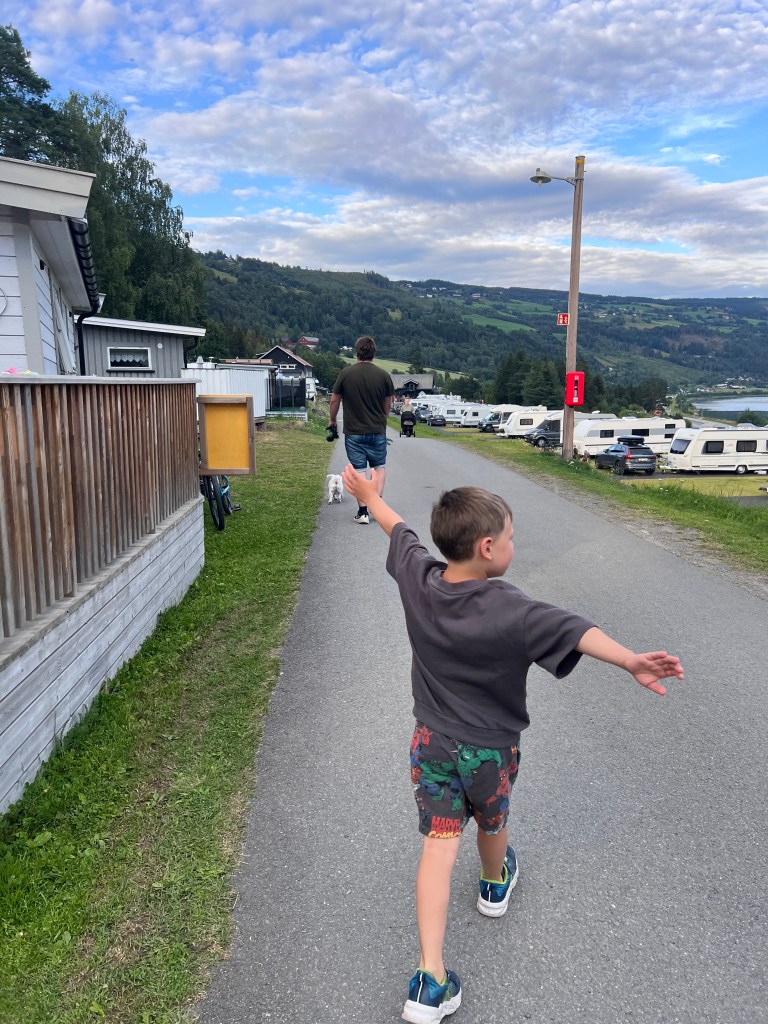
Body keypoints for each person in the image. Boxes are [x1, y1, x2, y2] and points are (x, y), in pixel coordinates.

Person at [340, 465, 684, 1024]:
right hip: (490, 753)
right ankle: (494, 885)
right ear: (487, 547)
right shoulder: (512, 609)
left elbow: (396, 527)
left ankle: (430, 980)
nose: (514, 546)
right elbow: (573, 630)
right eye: (511, 537)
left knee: (438, 844)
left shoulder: (420, 578)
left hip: (430, 743)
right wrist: (630, 661)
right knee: (492, 822)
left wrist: (366, 495)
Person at [329, 336, 395, 525]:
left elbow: (334, 400)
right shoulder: (384, 375)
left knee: (359, 471)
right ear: (374, 352)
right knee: (379, 468)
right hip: (377, 430)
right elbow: (388, 403)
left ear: (356, 352)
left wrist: (333, 420)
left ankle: (363, 512)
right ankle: (377, 506)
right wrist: (382, 418)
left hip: (354, 432)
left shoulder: (346, 373)